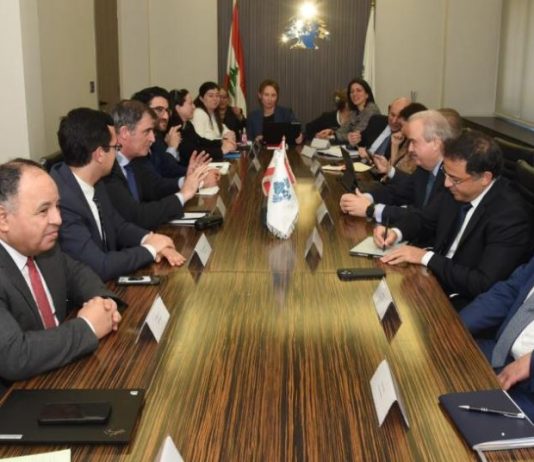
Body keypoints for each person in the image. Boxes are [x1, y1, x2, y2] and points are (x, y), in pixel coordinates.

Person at [374, 130, 532, 310]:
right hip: (433, 279)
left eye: (454, 179)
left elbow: (482, 283)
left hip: (462, 301)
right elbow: (424, 219)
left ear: (485, 178)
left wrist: (425, 257)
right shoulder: (457, 188)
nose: (446, 183)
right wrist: (395, 232)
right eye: (445, 172)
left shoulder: (510, 216)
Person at [0, 159, 122, 389]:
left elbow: (78, 274)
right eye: (43, 210)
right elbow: (14, 355)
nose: (57, 219)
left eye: (57, 207)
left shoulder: (45, 247)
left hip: (62, 375)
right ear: (3, 219)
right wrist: (88, 326)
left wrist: (104, 302)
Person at [51, 107, 185, 281]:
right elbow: (100, 265)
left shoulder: (96, 181)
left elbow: (117, 225)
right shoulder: (61, 200)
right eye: (116, 147)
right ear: (100, 154)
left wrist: (150, 238)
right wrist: (151, 250)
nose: (117, 153)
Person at [103, 100, 211, 229]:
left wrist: (187, 181)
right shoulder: (106, 168)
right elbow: (137, 216)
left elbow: (155, 188)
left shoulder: (136, 159)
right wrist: (183, 195)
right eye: (147, 131)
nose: (153, 139)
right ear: (125, 132)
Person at [340, 110, 449, 225]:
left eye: (414, 142)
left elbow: (424, 217)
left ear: (436, 143)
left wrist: (371, 210)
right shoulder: (424, 168)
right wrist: (365, 198)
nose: (410, 149)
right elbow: (397, 192)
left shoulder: (449, 177)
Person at [460, 255, 534, 419]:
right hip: (500, 353)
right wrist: (457, 326)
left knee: (468, 421)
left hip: (528, 391)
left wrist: (531, 363)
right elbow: (510, 291)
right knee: (435, 360)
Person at [169, 88, 236, 167]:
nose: (194, 107)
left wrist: (221, 142)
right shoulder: (174, 128)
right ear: (178, 108)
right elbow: (192, 152)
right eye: (190, 104)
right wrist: (221, 151)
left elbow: (200, 141)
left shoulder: (187, 124)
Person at [131, 86, 186, 179]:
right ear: (142, 110)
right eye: (159, 110)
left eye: (167, 111)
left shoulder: (158, 136)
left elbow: (171, 170)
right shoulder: (136, 142)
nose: (166, 117)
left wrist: (199, 172)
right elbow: (161, 176)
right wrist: (172, 148)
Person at [318, 78, 380, 146]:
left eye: (358, 90)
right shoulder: (354, 112)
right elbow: (343, 130)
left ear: (367, 94)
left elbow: (355, 135)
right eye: (352, 92)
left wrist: (336, 136)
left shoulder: (371, 109)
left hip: (368, 150)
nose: (354, 94)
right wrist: (331, 132)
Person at [246, 79, 304, 143]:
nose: (269, 99)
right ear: (260, 95)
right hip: (260, 149)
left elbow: (299, 131)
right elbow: (248, 141)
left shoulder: (286, 113)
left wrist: (300, 137)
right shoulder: (252, 117)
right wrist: (255, 141)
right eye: (266, 95)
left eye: (273, 95)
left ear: (277, 97)